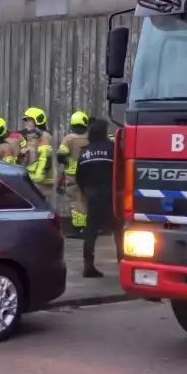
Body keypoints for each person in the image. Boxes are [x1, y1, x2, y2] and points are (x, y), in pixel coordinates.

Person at [77, 118, 120, 278]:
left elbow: (79, 176)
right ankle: (122, 263)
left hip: (93, 196)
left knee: (90, 232)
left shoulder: (85, 151)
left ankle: (88, 266)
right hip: (111, 195)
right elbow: (121, 171)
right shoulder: (113, 149)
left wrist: (86, 192)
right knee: (118, 231)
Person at [57, 110, 91, 233]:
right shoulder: (90, 137)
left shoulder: (69, 138)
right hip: (89, 174)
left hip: (73, 175)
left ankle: (78, 227)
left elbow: (60, 155)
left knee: (75, 201)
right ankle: (89, 225)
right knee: (86, 199)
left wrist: (66, 162)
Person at [19, 107, 55, 201]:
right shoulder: (33, 137)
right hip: (33, 178)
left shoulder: (44, 136)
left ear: (37, 121)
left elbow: (45, 158)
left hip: (40, 181)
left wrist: (37, 178)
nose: (26, 123)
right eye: (25, 120)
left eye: (29, 120)